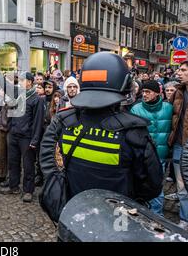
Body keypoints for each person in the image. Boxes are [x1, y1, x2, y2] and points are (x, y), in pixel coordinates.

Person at [40, 52, 163, 213]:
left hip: (73, 212)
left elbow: (46, 156)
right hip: (116, 217)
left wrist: (58, 184)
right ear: (124, 85)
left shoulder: (64, 120)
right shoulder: (133, 131)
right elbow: (152, 185)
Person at [0, 72, 44, 203]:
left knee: (28, 165)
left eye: (22, 80)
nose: (20, 82)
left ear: (30, 82)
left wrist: (35, 140)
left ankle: (28, 191)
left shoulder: (36, 99)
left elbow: (38, 122)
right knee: (13, 163)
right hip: (14, 134)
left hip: (27, 137)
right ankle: (13, 186)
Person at [130, 80, 173, 216]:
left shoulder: (168, 108)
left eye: (148, 92)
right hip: (142, 154)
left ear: (157, 93)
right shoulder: (136, 109)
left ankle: (157, 216)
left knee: (157, 186)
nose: (144, 94)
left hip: (160, 154)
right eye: (143, 91)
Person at [168, 60, 188, 231]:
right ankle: (186, 220)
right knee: (181, 186)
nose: (178, 72)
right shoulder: (178, 92)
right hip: (179, 146)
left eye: (183, 70)